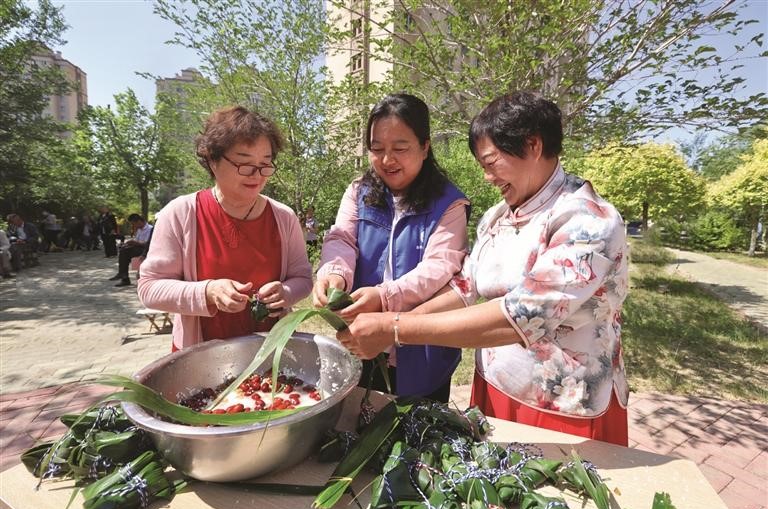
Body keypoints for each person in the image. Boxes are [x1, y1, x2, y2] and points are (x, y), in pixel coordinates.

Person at [338, 91, 630, 446]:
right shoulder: (498, 218)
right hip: (495, 388)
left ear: (533, 145)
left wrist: (394, 328)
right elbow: (463, 288)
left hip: (564, 404)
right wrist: (388, 323)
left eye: (491, 163)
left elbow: (522, 316)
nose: (488, 177)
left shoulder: (588, 220)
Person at [313, 93, 470, 403]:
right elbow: (342, 238)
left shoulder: (449, 203)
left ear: (425, 147)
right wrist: (333, 274)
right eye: (377, 149)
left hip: (422, 349)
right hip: (361, 339)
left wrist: (384, 298)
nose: (387, 160)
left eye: (400, 148)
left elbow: (439, 267)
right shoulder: (359, 191)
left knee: (418, 434)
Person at [138, 106, 313, 351]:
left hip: (271, 354)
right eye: (245, 164)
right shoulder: (180, 213)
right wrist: (207, 291)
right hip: (201, 357)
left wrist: (286, 291)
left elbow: (303, 278)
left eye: (265, 164)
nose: (257, 175)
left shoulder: (283, 217)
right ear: (212, 159)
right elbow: (149, 288)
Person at [110, 214, 153, 287]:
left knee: (125, 252)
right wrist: (130, 244)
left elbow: (149, 244)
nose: (134, 226)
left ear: (139, 221)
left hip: (147, 250)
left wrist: (136, 243)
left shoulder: (150, 229)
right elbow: (137, 241)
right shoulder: (139, 230)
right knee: (124, 250)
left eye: (134, 224)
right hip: (139, 248)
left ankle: (123, 275)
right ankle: (124, 277)